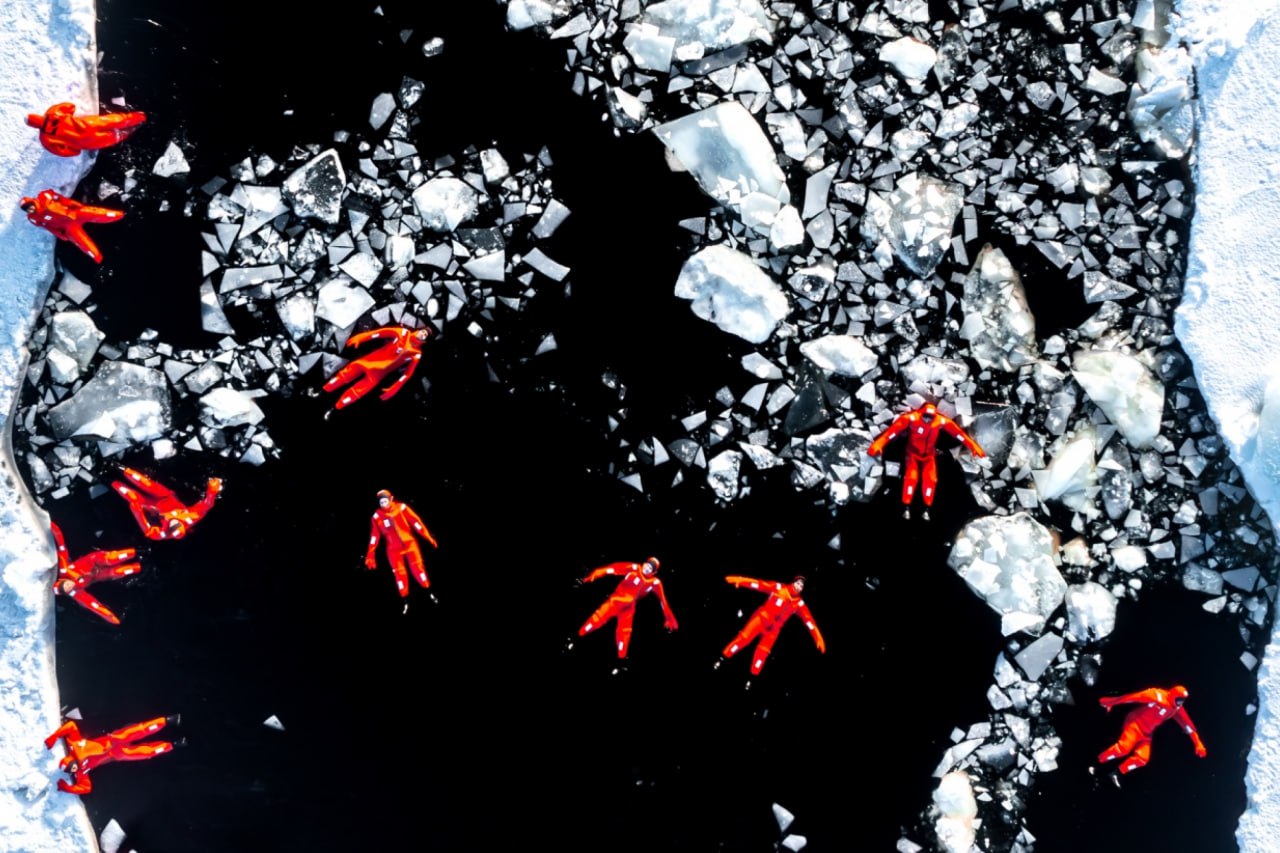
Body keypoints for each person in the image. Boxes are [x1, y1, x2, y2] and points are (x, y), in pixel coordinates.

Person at [868, 402, 985, 519]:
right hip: (912, 453)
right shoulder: (911, 418)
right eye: (925, 416)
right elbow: (892, 432)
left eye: (930, 417)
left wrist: (973, 446)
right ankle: (906, 506)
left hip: (929, 455)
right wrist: (879, 443)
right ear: (921, 413)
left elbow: (958, 434)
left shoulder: (940, 421)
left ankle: (926, 508)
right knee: (911, 478)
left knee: (931, 480)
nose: (928, 420)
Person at [45, 714, 181, 795]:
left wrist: (54, 736)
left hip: (113, 740)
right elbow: (86, 788)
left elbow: (71, 726)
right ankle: (173, 744)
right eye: (71, 771)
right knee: (146, 752)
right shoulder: (81, 772)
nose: (73, 770)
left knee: (139, 730)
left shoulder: (74, 745)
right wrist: (68, 788)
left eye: (71, 767)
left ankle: (168, 720)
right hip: (117, 754)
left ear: (70, 761)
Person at [716, 575, 825, 675]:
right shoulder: (779, 588)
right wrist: (741, 580)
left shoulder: (799, 603)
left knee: (762, 654)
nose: (799, 586)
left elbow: (809, 621)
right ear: (793, 582)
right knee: (743, 639)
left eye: (802, 586)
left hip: (773, 631)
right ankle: (722, 658)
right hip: (760, 620)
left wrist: (817, 637)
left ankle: (751, 678)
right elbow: (759, 585)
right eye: (798, 583)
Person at [575, 557, 678, 659]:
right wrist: (590, 577)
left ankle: (621, 660)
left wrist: (669, 620)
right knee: (596, 619)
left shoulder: (655, 583)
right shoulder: (634, 568)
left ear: (654, 572)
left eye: (650, 568)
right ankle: (576, 638)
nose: (647, 568)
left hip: (628, 609)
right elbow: (612, 569)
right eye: (647, 564)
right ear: (644, 563)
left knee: (624, 633)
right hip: (615, 602)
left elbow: (663, 601)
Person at [1097, 684, 1207, 775]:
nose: (1180, 703)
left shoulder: (1177, 709)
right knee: (1123, 749)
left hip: (1146, 734)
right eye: (1179, 700)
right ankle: (1097, 762)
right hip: (1135, 724)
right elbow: (1133, 697)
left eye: (1182, 701)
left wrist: (1198, 743)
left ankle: (1116, 773)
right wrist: (1109, 702)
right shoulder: (1157, 695)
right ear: (1173, 696)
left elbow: (1187, 725)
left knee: (1142, 759)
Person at [50, 521, 141, 625]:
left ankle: (138, 551)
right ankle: (140, 566)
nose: (70, 586)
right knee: (120, 571)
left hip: (94, 560)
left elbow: (61, 546)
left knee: (113, 558)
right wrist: (112, 618)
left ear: (64, 580)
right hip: (99, 575)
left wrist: (52, 526)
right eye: (68, 589)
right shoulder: (76, 593)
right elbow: (94, 606)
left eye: (66, 585)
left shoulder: (64, 569)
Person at [323, 325, 432, 411]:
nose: (422, 334)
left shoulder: (416, 354)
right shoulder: (404, 333)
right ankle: (322, 392)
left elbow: (407, 374)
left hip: (377, 375)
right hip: (368, 362)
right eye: (423, 331)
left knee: (356, 393)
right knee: (343, 376)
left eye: (425, 335)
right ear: (418, 330)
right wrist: (361, 338)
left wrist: (395, 387)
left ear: (425, 341)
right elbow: (380, 333)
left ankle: (334, 408)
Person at [111, 467, 222, 541]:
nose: (173, 523)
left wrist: (138, 512)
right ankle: (119, 468)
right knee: (146, 484)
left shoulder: (163, 533)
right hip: (165, 496)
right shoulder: (191, 518)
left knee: (131, 496)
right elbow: (207, 505)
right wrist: (212, 491)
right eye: (176, 525)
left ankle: (110, 479)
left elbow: (149, 533)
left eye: (172, 528)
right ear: (183, 525)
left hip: (151, 507)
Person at [366, 489, 438, 602]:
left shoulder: (401, 508)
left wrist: (427, 536)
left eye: (385, 501)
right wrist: (370, 553)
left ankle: (428, 591)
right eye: (381, 503)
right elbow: (374, 536)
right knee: (399, 574)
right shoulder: (377, 516)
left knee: (418, 569)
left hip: (410, 544)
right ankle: (405, 600)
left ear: (391, 499)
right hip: (393, 550)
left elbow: (416, 523)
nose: (384, 505)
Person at [20, 190, 124, 264]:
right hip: (68, 226)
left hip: (74, 212)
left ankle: (121, 215)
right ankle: (99, 259)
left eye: (29, 206)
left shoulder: (44, 196)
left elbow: (60, 198)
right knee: (84, 242)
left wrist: (73, 203)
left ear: (32, 202)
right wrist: (60, 235)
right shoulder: (34, 218)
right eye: (27, 209)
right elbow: (48, 227)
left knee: (97, 213)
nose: (30, 209)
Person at [26, 102, 146, 157]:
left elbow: (62, 152)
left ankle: (133, 130)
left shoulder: (45, 139)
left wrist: (75, 150)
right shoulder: (53, 113)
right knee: (120, 119)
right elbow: (70, 106)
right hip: (90, 124)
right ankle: (141, 117)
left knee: (116, 136)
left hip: (86, 141)